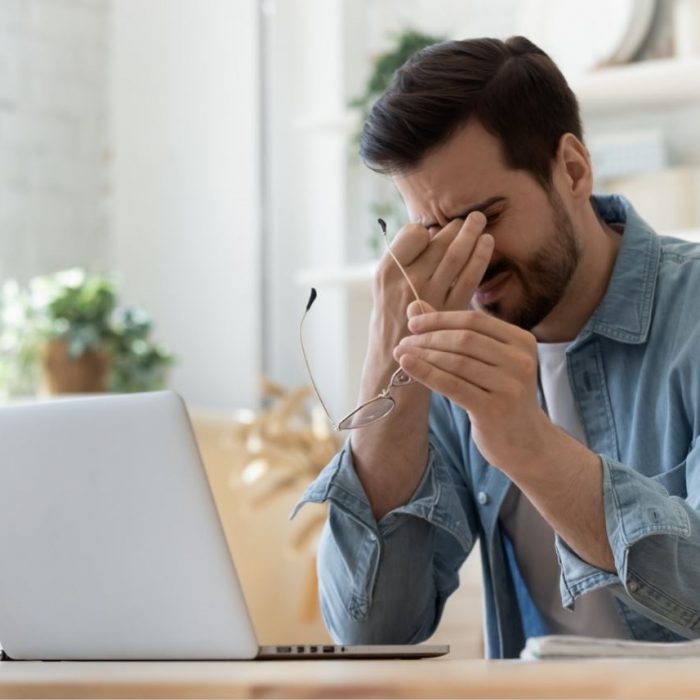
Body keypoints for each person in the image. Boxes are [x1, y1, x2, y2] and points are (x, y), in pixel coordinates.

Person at [292, 36, 700, 659]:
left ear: (572, 170)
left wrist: (524, 440)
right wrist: (386, 370)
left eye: (486, 217)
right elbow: (372, 632)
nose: (468, 259)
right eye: (435, 231)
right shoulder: (449, 347)